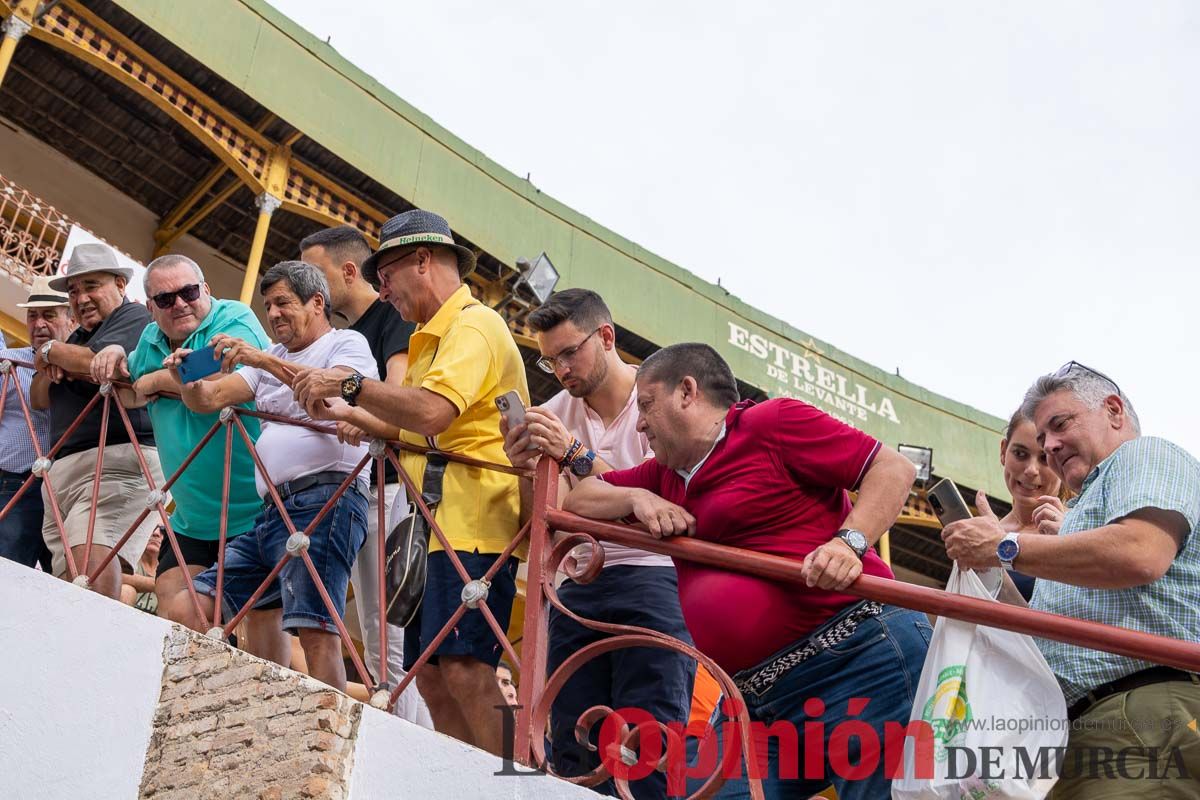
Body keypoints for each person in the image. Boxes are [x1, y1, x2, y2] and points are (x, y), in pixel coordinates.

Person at [564, 343, 930, 800]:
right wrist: (637, 498)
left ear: (687, 392)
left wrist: (849, 543)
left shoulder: (772, 422)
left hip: (858, 662)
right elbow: (579, 498)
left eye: (647, 405)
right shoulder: (662, 477)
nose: (639, 422)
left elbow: (893, 468)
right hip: (754, 700)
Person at [292, 209, 528, 756]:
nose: (382, 291)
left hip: (472, 526)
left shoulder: (474, 325)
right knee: (431, 673)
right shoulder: (429, 334)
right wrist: (346, 412)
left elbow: (430, 412)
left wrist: (351, 387)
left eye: (387, 275)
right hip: (434, 524)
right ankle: (467, 781)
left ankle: (513, 785)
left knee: (466, 667)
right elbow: (410, 424)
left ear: (423, 260)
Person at [942, 362, 1200, 798]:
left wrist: (1004, 547)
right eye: (1042, 438)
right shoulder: (1080, 518)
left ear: (1114, 411)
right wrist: (991, 571)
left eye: (1060, 425)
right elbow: (1048, 634)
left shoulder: (1144, 455)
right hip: (1093, 727)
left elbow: (1140, 552)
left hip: (1140, 714)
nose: (1050, 447)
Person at [502, 289, 695, 798]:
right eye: (550, 360)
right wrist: (529, 469)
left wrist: (575, 457)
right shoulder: (552, 411)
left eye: (570, 352)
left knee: (649, 745)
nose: (562, 369)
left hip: (656, 577)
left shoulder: (659, 397)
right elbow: (554, 518)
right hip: (578, 584)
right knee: (575, 746)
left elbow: (665, 504)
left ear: (606, 336)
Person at [170, 261, 376, 691]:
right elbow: (209, 399)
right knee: (190, 606)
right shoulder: (271, 357)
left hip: (327, 499)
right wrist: (186, 377)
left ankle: (325, 724)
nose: (274, 314)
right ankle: (215, 704)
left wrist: (259, 357)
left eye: (283, 302)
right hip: (271, 512)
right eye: (268, 306)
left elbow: (330, 390)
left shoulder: (347, 343)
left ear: (316, 302)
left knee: (316, 630)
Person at [109, 254, 288, 663]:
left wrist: (159, 378)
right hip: (192, 518)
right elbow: (129, 389)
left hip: (254, 512)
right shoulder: (149, 341)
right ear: (150, 307)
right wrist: (115, 351)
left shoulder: (234, 318)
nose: (179, 304)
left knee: (264, 625)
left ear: (206, 289)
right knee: (180, 615)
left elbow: (229, 375)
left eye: (188, 292)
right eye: (165, 299)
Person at [299, 225, 429, 724]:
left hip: (385, 487)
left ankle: (406, 738)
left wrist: (357, 412)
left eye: (316, 275)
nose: (309, 287)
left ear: (349, 272)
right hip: (354, 487)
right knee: (374, 630)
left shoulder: (392, 320)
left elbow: (399, 399)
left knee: (387, 632)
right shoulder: (340, 335)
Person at [32, 243, 163, 598]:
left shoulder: (135, 318)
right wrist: (56, 357)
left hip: (115, 461)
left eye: (91, 286)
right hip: (68, 468)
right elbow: (38, 396)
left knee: (91, 565)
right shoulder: (78, 335)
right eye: (74, 291)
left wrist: (53, 352)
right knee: (69, 574)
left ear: (120, 284)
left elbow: (96, 363)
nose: (81, 298)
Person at [0, 277, 74, 570]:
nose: (39, 324)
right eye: (33, 316)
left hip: (64, 491)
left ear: (71, 320)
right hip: (13, 483)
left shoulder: (82, 365)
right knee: (8, 570)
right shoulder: (8, 361)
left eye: (49, 315)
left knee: (63, 578)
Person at [991, 408, 1068, 601]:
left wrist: (1069, 540)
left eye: (1044, 458)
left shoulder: (1084, 529)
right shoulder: (985, 535)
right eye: (1020, 453)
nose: (1031, 470)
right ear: (1003, 451)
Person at [121, 524, 161, 615]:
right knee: (127, 590)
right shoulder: (128, 556)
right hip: (124, 616)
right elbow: (113, 576)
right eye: (152, 527)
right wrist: (159, 584)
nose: (156, 533)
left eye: (163, 530)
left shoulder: (171, 570)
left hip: (155, 622)